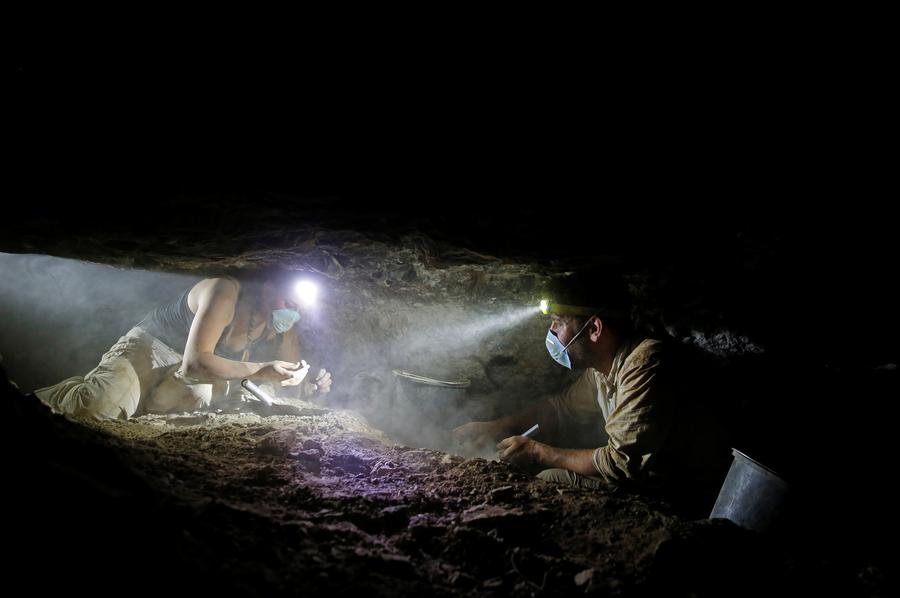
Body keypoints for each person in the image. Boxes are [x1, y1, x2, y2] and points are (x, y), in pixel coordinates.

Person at [452, 271, 730, 514]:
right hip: (641, 482)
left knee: (550, 479)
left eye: (559, 322)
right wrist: (498, 426)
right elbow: (560, 408)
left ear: (594, 328)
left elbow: (621, 464)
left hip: (671, 496)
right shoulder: (602, 368)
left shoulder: (645, 363)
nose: (552, 331)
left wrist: (539, 452)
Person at [33, 269, 332, 420]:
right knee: (95, 412)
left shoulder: (278, 324)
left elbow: (285, 378)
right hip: (153, 348)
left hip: (191, 374)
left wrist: (306, 382)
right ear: (269, 287)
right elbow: (197, 363)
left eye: (298, 309)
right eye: (288, 302)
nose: (291, 312)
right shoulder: (225, 291)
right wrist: (261, 369)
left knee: (200, 398)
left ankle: (135, 405)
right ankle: (68, 393)